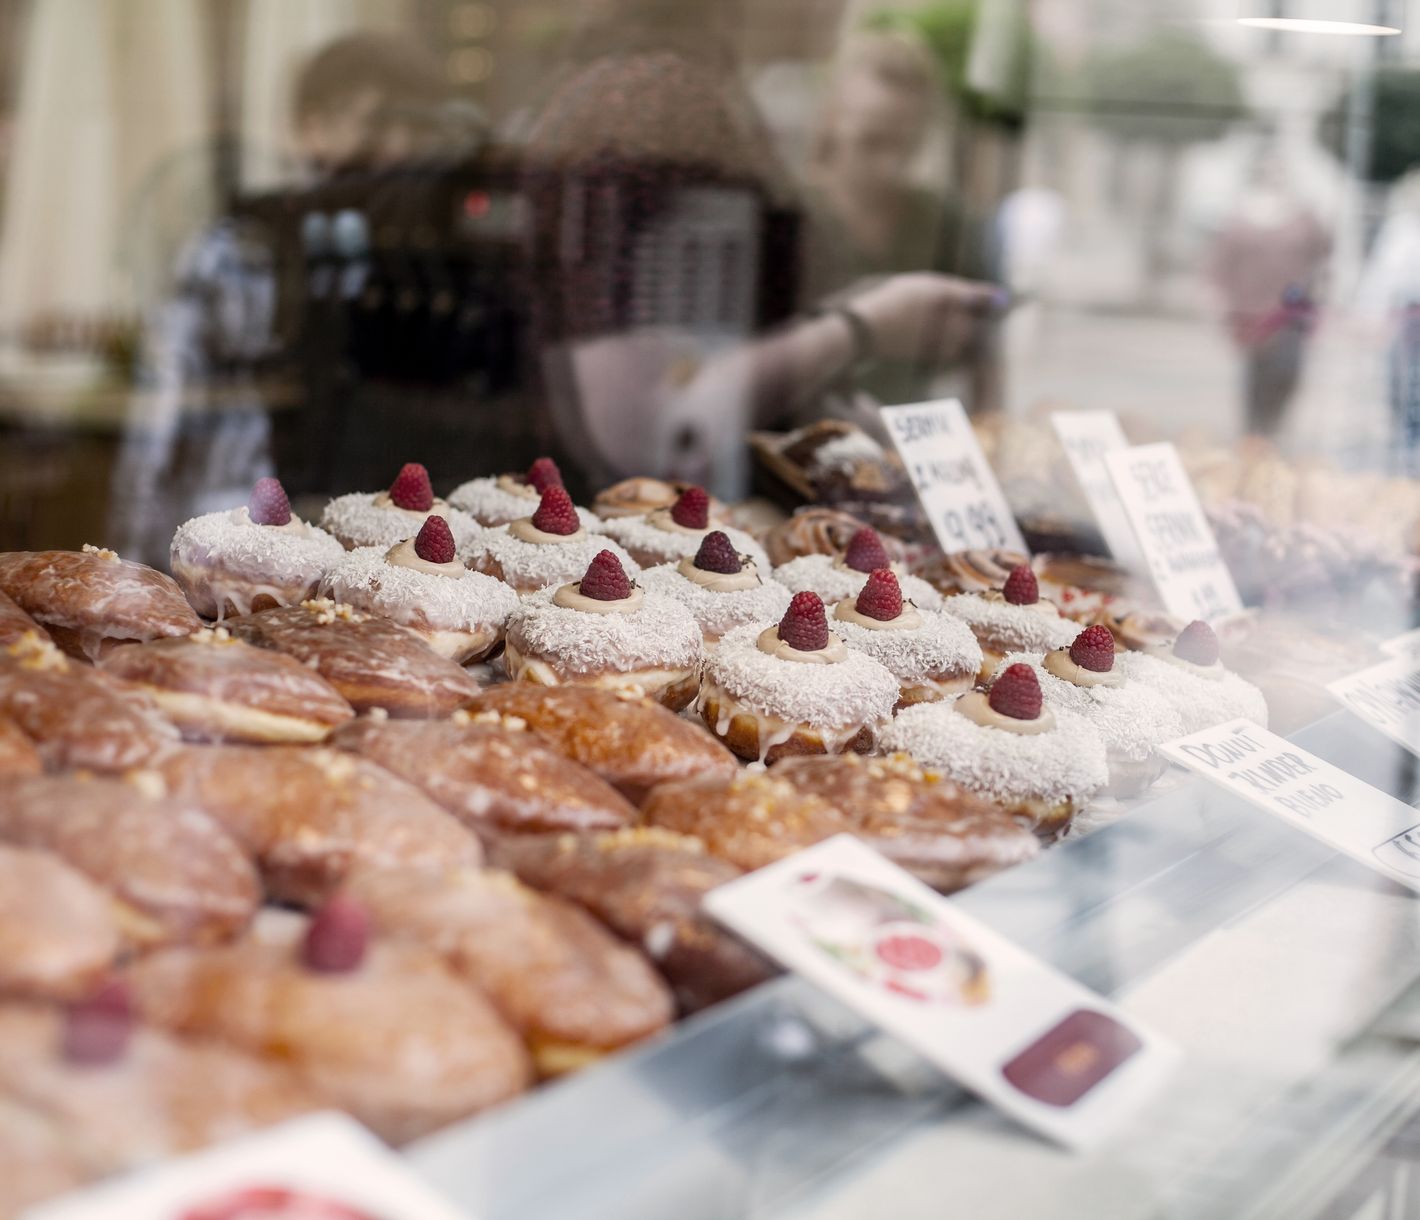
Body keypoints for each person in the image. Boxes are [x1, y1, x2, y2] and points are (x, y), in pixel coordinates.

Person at [1208, 149, 1331, 438]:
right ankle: (1254, 434)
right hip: (1249, 312)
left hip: (1291, 311)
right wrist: (1220, 300)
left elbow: (1323, 255)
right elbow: (1220, 264)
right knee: (1255, 376)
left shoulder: (1304, 217)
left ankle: (1273, 430)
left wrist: (1317, 291)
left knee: (1287, 372)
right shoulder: (1240, 217)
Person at [1355, 167, 1420, 476]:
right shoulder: (1402, 230)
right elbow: (1382, 275)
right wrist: (1369, 313)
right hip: (1408, 318)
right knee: (1402, 386)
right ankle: (1407, 454)